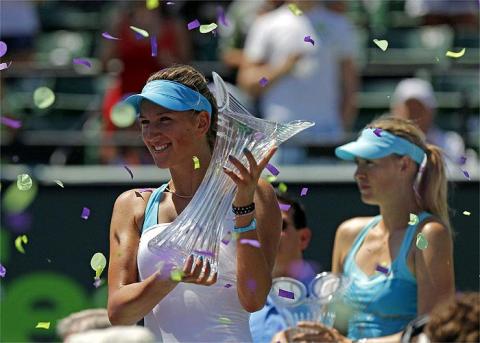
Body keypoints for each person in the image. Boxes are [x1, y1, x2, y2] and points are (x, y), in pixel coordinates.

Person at [106, 65, 282, 342]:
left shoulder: (256, 194)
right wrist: (168, 276)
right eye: (145, 122)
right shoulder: (133, 205)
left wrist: (242, 208)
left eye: (164, 120)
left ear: (201, 123)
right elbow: (118, 313)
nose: (152, 134)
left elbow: (253, 299)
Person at [273, 116, 455, 342]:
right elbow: (335, 324)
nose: (358, 174)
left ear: (404, 165)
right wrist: (302, 334)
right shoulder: (347, 234)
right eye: (358, 163)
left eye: (370, 162)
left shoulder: (429, 235)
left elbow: (433, 334)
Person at [238, 0, 358, 164]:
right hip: (280, 139)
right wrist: (282, 69)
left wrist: (340, 126)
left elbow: (350, 86)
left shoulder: (339, 24)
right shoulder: (266, 24)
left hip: (327, 137)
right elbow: (247, 83)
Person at [249, 193, 315, 343]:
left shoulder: (326, 303)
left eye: (279, 224)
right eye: (257, 224)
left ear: (303, 238)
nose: (267, 233)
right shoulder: (230, 300)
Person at [391, 78, 466, 161]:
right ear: (395, 110)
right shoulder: (380, 144)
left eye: (419, 109)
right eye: (409, 109)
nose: (413, 115)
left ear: (431, 112)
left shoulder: (452, 144)